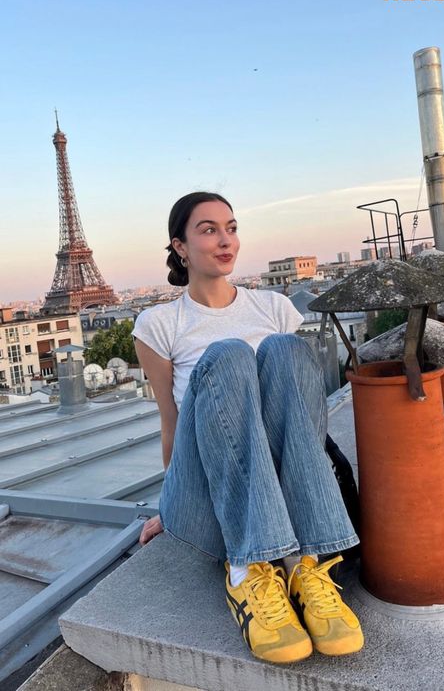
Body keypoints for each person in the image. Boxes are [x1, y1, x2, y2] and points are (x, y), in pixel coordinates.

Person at [132, 191, 364, 664]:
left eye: (231, 228)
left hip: (285, 493)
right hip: (214, 497)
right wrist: (174, 501)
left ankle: (304, 566)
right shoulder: (159, 323)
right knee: (230, 355)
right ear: (180, 246)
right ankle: (246, 573)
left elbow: (298, 419)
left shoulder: (274, 309)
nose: (225, 240)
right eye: (209, 229)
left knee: (284, 352)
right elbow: (171, 423)